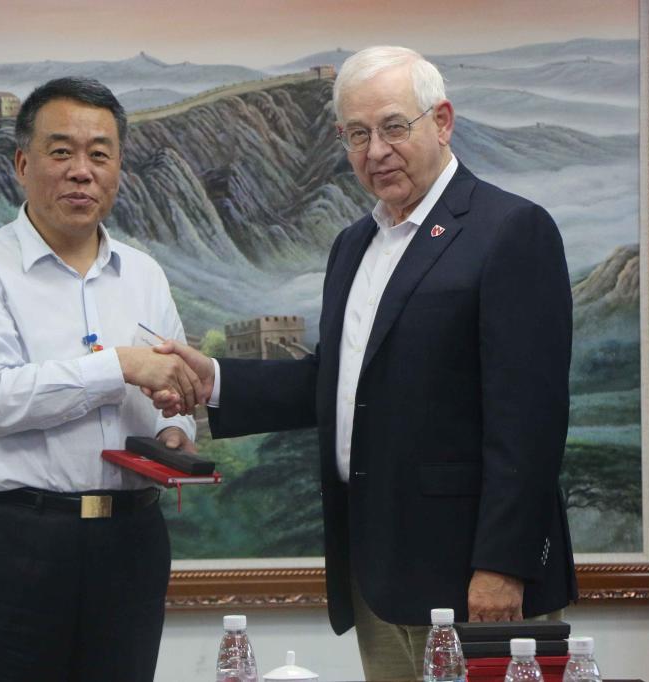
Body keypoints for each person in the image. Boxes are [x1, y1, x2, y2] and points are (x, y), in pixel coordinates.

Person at [152, 46, 578, 680]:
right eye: (357, 134)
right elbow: (338, 381)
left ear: (442, 121)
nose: (376, 150)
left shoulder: (511, 229)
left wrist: (503, 565)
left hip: (476, 580)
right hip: (377, 575)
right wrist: (212, 380)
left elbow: (531, 419)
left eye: (393, 127)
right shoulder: (355, 245)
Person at [0, 76, 202, 682]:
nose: (82, 171)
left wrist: (176, 430)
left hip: (132, 541)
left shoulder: (145, 274)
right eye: (62, 152)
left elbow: (175, 390)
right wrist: (119, 366)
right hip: (18, 541)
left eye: (100, 154)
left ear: (118, 169)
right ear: (23, 164)